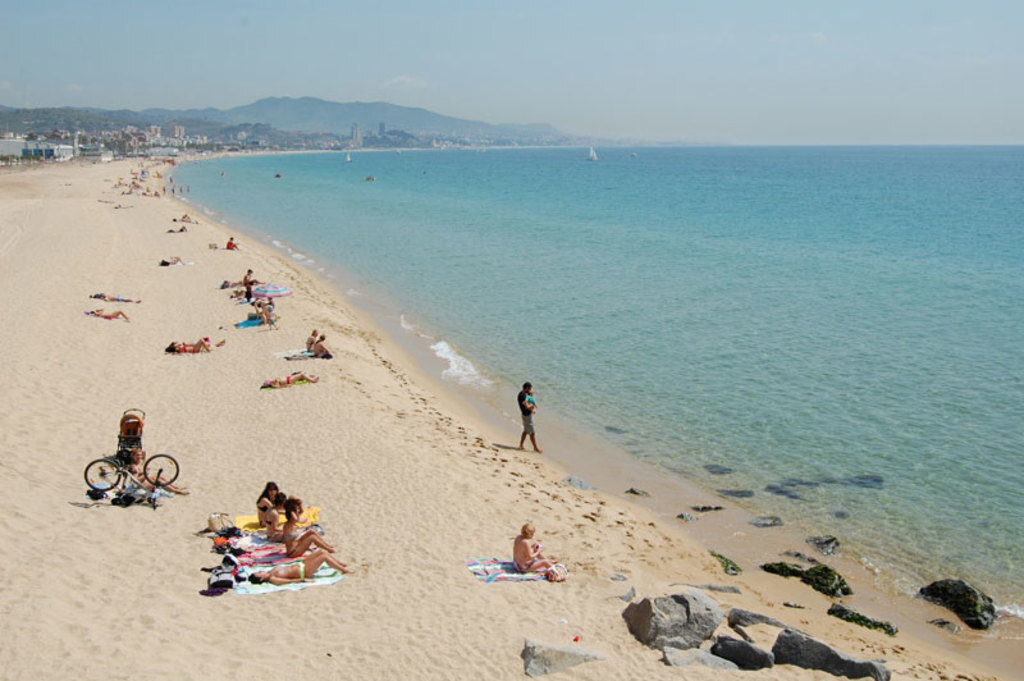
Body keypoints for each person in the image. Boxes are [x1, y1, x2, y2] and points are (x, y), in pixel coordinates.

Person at [248, 548, 351, 584]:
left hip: (301, 564)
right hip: (304, 571)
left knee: (321, 552)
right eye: (259, 573)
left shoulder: (270, 572)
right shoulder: (273, 579)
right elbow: (288, 581)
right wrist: (303, 580)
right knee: (323, 557)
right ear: (261, 579)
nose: (261, 571)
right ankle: (344, 570)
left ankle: (340, 563)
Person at [517, 382, 542, 453]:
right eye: (530, 388)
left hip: (525, 415)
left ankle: (521, 445)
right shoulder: (523, 396)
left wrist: (531, 395)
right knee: (532, 432)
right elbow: (527, 406)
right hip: (527, 416)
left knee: (525, 431)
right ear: (527, 388)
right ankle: (536, 448)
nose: (531, 390)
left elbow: (529, 401)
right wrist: (532, 407)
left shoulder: (523, 394)